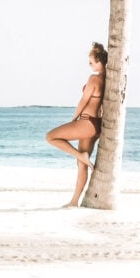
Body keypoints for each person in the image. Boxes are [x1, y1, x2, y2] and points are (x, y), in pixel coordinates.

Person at [46, 42, 107, 207]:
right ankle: (74, 201)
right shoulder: (106, 79)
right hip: (96, 126)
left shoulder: (93, 79)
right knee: (81, 166)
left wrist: (74, 119)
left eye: (92, 62)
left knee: (51, 137)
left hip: (87, 122)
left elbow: (83, 101)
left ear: (100, 61)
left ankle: (81, 156)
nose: (90, 65)